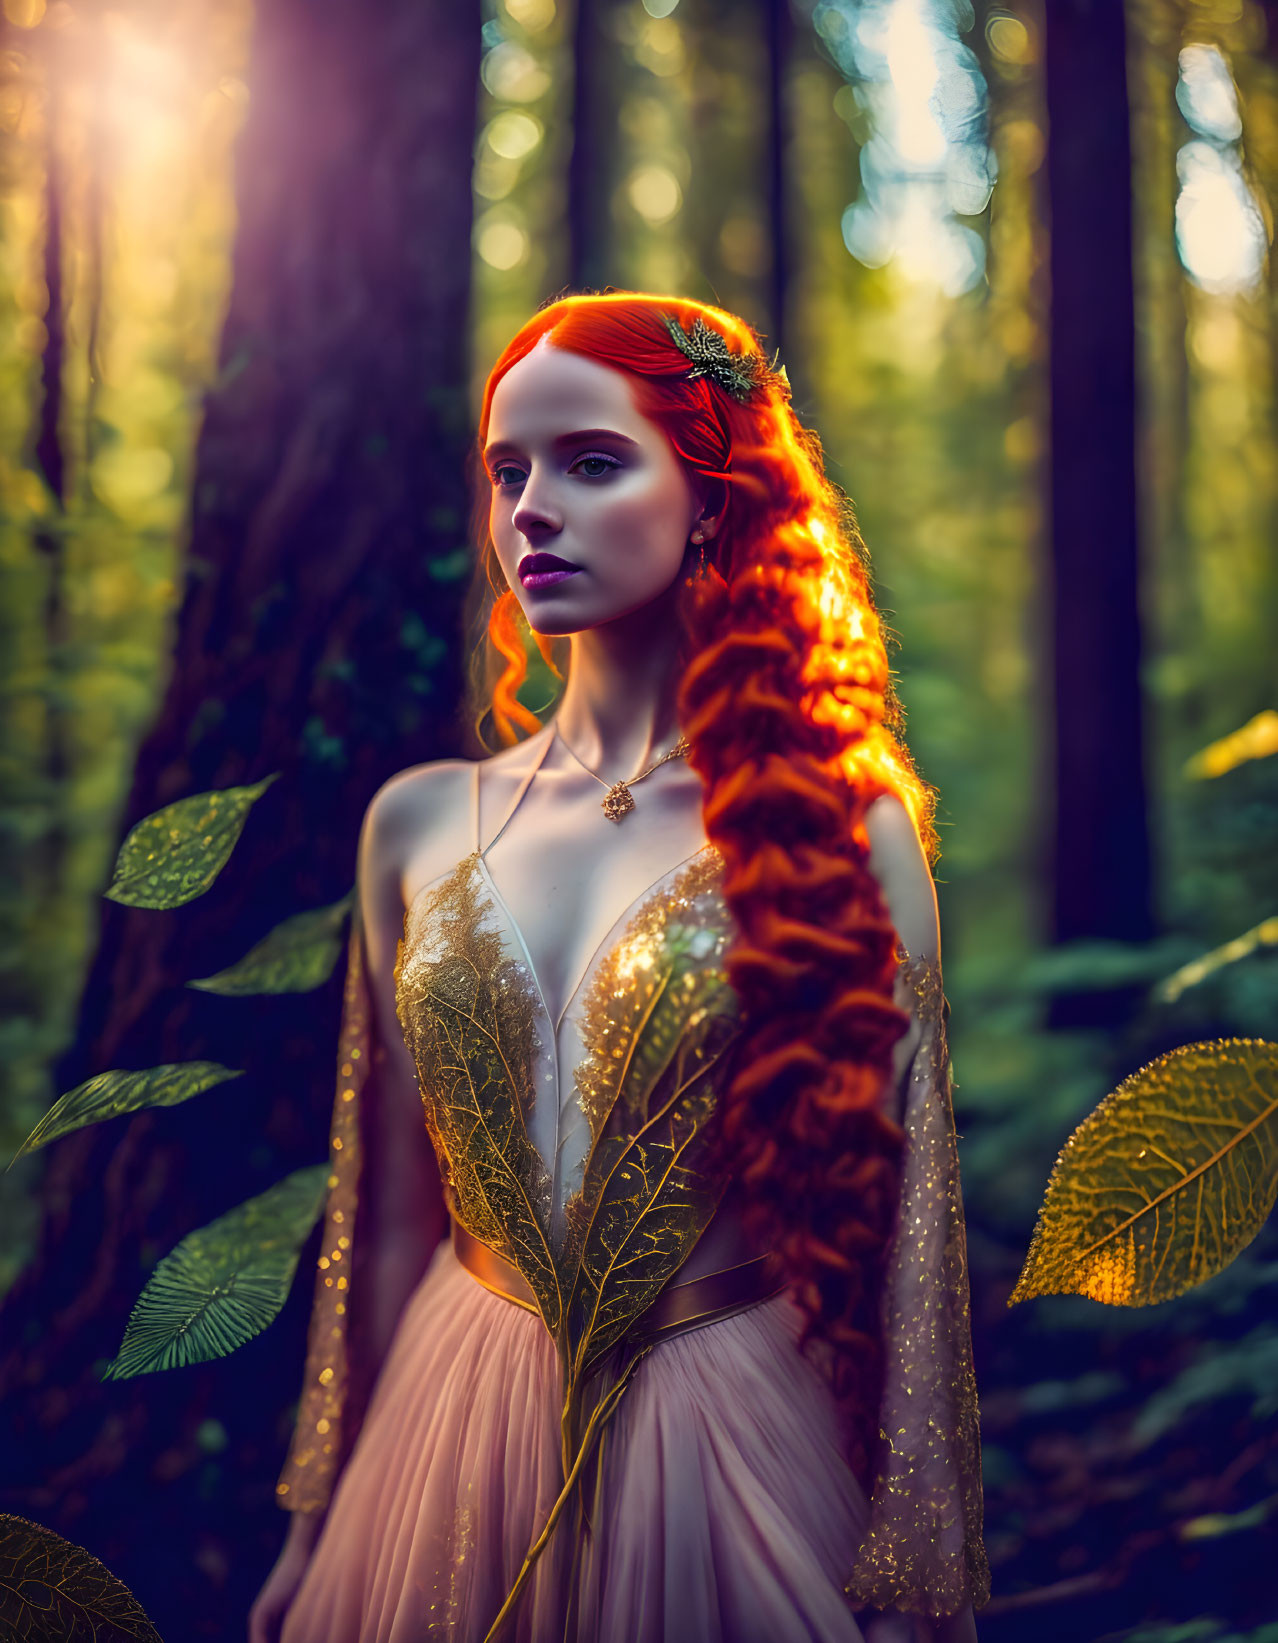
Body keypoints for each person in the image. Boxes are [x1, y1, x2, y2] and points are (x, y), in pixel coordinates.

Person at [249, 292, 989, 1643]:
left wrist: (915, 1572)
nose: (532, 506)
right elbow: (386, 1220)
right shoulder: (414, 824)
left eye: (592, 462)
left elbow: (906, 1232)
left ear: (711, 495)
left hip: (722, 1440)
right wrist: (314, 1523)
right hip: (443, 1415)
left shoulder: (843, 825)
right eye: (507, 470)